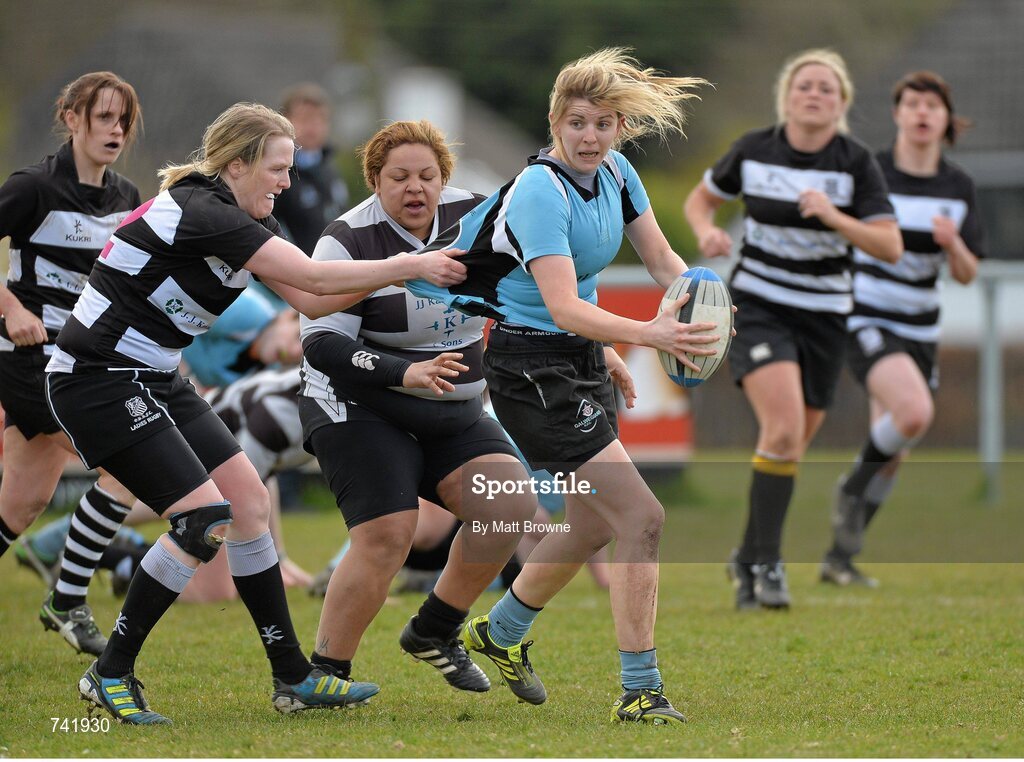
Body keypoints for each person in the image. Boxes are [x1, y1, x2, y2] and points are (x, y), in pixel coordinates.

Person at [43, 102, 468, 725]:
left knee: (248, 505)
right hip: (95, 381)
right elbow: (316, 281)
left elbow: (306, 296)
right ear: (238, 164)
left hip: (155, 375)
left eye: (292, 170)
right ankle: (110, 672)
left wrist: (401, 281)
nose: (286, 182)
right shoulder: (206, 212)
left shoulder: (237, 216)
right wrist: (407, 264)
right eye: (277, 168)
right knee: (202, 519)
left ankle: (294, 677)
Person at [407, 48, 717, 725]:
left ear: (619, 129)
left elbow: (662, 258)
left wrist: (701, 299)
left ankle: (501, 631)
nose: (590, 137)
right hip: (529, 370)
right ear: (555, 122)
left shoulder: (617, 172)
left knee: (591, 523)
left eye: (605, 124)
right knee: (643, 517)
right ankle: (641, 690)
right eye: (577, 122)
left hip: (577, 360)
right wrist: (649, 334)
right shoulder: (541, 191)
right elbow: (563, 304)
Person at [298, 119, 536, 697]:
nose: (415, 188)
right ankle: (326, 675)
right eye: (398, 177)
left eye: (427, 176)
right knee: (387, 536)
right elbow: (320, 344)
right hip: (358, 406)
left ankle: (434, 630)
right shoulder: (347, 240)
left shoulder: (480, 221)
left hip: (449, 411)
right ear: (375, 181)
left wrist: (601, 355)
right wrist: (406, 372)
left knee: (510, 508)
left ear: (444, 179)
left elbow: (540, 295)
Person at [683, 48, 902, 610]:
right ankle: (767, 566)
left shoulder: (855, 162)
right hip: (759, 306)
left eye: (826, 88)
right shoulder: (755, 150)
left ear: (842, 103)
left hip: (827, 316)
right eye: (805, 85)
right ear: (787, 96)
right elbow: (700, 201)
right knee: (780, 431)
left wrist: (833, 216)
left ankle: (747, 556)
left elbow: (889, 245)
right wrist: (707, 231)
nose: (814, 94)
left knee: (788, 446)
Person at [821, 71, 985, 586]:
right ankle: (851, 485)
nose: (920, 113)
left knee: (892, 452)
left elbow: (966, 272)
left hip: (921, 330)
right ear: (897, 114)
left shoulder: (958, 187)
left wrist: (953, 243)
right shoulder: (873, 174)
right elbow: (837, 234)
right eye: (911, 103)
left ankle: (838, 559)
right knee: (913, 413)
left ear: (944, 120)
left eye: (930, 106)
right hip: (867, 317)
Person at [0, 71, 144, 657]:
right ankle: (66, 599)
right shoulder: (32, 186)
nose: (114, 130)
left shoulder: (128, 198)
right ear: (72, 118)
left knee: (21, 504)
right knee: (132, 458)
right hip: (31, 361)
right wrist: (10, 309)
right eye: (103, 117)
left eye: (123, 121)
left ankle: (63, 597)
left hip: (85, 362)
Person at [274, 83, 350, 255]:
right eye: (306, 118)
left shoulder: (330, 169)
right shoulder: (275, 173)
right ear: (285, 120)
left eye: (320, 118)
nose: (313, 126)